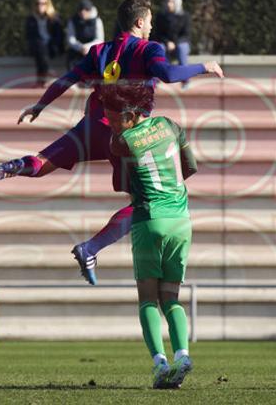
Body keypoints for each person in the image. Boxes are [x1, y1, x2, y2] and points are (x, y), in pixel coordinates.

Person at [0, 0, 223, 281]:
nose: (152, 27)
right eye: (150, 22)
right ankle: (91, 248)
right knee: (144, 203)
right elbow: (168, 74)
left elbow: (66, 79)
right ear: (139, 22)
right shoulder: (148, 48)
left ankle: (14, 167)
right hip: (125, 136)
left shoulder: (99, 51)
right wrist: (203, 67)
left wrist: (41, 105)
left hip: (92, 125)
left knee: (42, 163)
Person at [102, 82, 196, 389]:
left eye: (114, 118)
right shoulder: (171, 125)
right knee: (171, 296)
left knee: (147, 300)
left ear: (130, 115)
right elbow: (191, 167)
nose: (111, 124)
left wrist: (118, 134)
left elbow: (120, 180)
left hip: (149, 220)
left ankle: (160, 364)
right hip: (181, 220)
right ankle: (183, 355)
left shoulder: (123, 141)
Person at [25, 0, 64, 87]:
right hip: (38, 46)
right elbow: (29, 36)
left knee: (42, 51)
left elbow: (59, 35)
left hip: (52, 46)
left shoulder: (55, 18)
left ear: (48, 5)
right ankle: (44, 79)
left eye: (43, 3)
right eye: (38, 3)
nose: (40, 6)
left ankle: (41, 80)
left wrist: (54, 45)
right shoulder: (31, 19)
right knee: (40, 47)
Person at [65, 0, 105, 75]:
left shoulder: (97, 20)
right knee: (70, 56)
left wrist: (88, 47)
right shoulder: (72, 21)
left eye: (86, 9)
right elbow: (70, 39)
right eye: (81, 10)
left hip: (92, 48)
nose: (83, 12)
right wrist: (80, 47)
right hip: (77, 48)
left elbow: (100, 39)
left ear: (90, 10)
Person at [152, 0, 192, 66]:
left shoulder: (185, 16)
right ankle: (164, 72)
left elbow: (186, 35)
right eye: (167, 1)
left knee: (182, 47)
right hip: (165, 43)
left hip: (180, 43)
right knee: (159, 47)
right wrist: (167, 42)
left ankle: (183, 73)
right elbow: (158, 33)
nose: (169, 4)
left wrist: (175, 43)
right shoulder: (161, 16)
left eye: (172, 2)